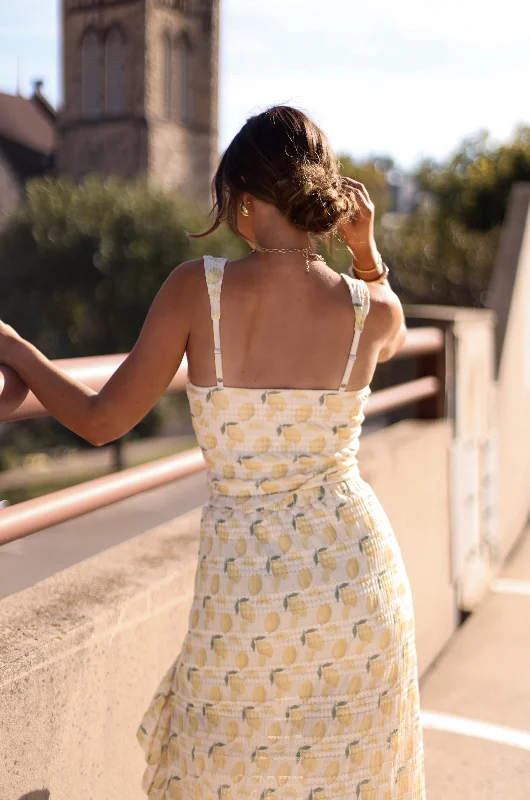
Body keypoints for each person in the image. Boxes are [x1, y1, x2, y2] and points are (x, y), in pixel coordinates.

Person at [0, 105, 426, 799]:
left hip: (246, 591)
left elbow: (103, 419)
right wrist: (366, 250)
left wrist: (17, 348)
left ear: (247, 201)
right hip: (356, 580)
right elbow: (396, 327)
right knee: (348, 777)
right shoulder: (368, 312)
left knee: (229, 771)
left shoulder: (198, 290)